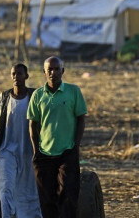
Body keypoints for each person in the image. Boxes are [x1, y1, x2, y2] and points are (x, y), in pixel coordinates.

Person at [27, 56, 87, 218]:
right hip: (44, 154)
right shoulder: (38, 95)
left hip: (67, 152)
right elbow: (33, 125)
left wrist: (76, 145)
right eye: (49, 69)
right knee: (46, 199)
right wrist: (36, 150)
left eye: (56, 69)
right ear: (44, 72)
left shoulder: (73, 91)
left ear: (63, 71)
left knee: (68, 195)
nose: (53, 72)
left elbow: (81, 118)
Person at [0, 63, 42, 218]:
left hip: (29, 151)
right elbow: (0, 123)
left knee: (28, 191)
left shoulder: (34, 96)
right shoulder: (4, 97)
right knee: (5, 189)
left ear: (26, 76)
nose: (16, 77)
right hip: (7, 151)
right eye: (13, 74)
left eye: (19, 74)